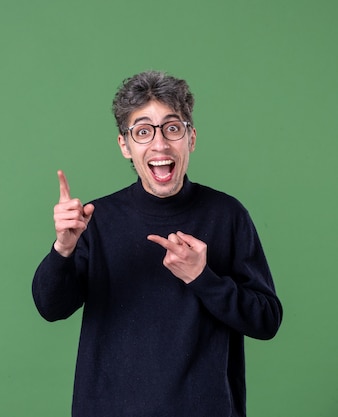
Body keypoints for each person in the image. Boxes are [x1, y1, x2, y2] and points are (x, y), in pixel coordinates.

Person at [32, 70, 282, 417]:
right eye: (143, 131)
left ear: (191, 138)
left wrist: (202, 277)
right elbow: (50, 307)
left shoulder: (227, 215)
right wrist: (63, 249)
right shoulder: (96, 219)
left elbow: (267, 320)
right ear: (125, 145)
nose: (160, 144)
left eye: (172, 127)